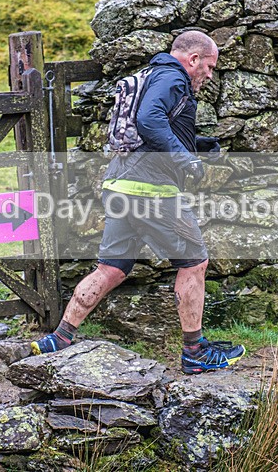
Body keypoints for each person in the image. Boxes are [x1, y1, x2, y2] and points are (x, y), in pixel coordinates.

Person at [31, 31, 245, 374]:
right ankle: (195, 352)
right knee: (194, 262)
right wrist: (184, 159)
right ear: (192, 60)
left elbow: (153, 128)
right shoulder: (174, 78)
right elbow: (149, 121)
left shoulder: (151, 75)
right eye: (209, 66)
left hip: (118, 183)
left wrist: (198, 145)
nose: (209, 74)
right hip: (151, 190)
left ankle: (59, 338)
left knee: (111, 268)